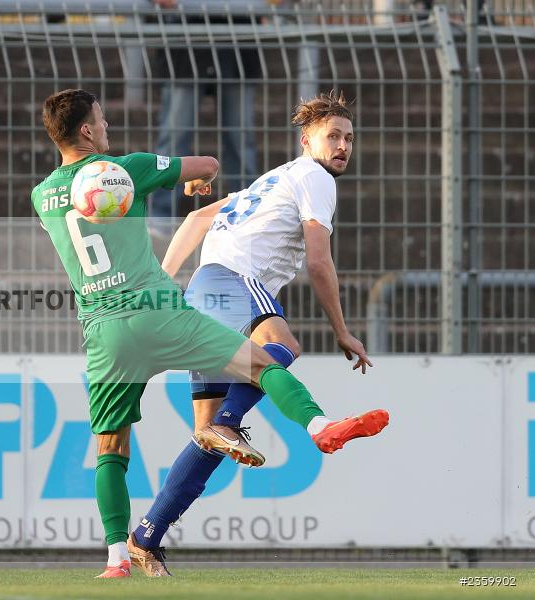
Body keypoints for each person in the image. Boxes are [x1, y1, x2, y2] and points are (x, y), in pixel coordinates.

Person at [33, 88, 355, 579]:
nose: (107, 128)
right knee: (267, 361)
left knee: (111, 447)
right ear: (87, 131)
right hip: (159, 311)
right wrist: (192, 181)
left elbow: (97, 211)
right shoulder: (128, 169)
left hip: (102, 330)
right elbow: (206, 163)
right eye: (102, 121)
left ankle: (122, 555)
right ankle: (317, 425)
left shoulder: (41, 196)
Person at [129, 90, 387, 567]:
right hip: (233, 281)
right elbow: (318, 260)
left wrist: (164, 283)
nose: (343, 146)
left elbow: (199, 217)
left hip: (203, 292)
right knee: (282, 344)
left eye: (349, 138)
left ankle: (146, 537)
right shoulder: (315, 178)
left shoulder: (271, 180)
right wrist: (343, 331)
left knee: (205, 438)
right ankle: (316, 424)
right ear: (306, 140)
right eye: (333, 136)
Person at [149, 0, 260, 228]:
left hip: (238, 37)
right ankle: (159, 214)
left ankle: (248, 215)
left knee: (239, 140)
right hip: (185, 41)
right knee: (174, 137)